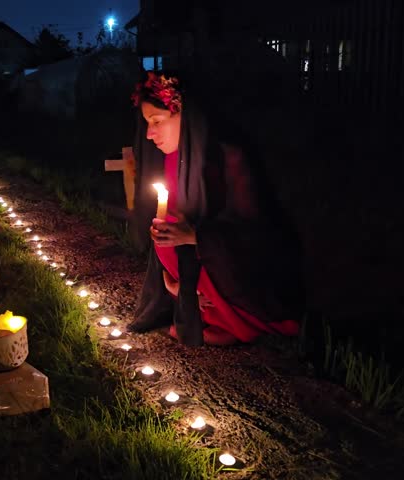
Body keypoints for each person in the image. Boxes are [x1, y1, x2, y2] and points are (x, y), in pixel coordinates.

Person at [126, 70, 305, 346]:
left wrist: (196, 236)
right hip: (194, 277)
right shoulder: (172, 159)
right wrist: (172, 283)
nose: (150, 134)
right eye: (147, 124)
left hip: (234, 274)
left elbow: (255, 235)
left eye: (157, 121)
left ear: (185, 117)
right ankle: (202, 312)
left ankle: (236, 322)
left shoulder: (228, 158)